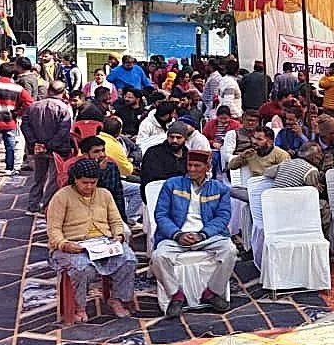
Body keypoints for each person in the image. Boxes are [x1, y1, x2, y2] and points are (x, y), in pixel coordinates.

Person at [46, 158, 139, 322]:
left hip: (102, 242)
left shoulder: (104, 194)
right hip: (72, 245)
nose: (89, 187)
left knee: (129, 259)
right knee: (83, 268)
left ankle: (117, 299)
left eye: (93, 182)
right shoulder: (61, 196)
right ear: (75, 179)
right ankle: (79, 306)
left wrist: (118, 236)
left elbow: (116, 221)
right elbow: (53, 229)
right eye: (84, 183)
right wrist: (64, 244)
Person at [151, 150, 237, 316]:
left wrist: (202, 235)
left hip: (207, 236)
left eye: (197, 166)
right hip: (176, 236)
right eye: (189, 165)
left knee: (230, 251)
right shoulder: (172, 184)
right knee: (158, 256)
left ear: (208, 167)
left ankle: (212, 292)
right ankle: (176, 295)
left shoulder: (220, 189)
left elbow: (223, 217)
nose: (191, 169)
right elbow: (161, 215)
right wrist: (177, 235)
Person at [23, 81, 75, 215]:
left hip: (38, 148)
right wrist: (49, 145)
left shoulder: (34, 106)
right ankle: (46, 206)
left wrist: (35, 142)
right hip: (56, 149)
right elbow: (64, 130)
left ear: (48, 90)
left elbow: (25, 126)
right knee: (53, 179)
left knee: (38, 177)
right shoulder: (63, 108)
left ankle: (33, 205)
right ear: (63, 92)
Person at [0, 62, 33, 176]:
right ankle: (9, 168)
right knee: (10, 146)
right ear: (13, 74)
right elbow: (29, 102)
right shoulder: (17, 88)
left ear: (0, 72)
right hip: (9, 120)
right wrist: (18, 112)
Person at [78, 135, 126, 222]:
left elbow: (118, 194)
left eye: (103, 150)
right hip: (85, 215)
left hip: (110, 214)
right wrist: (99, 172)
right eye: (96, 152)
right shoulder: (78, 169)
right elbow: (89, 195)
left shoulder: (111, 167)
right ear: (86, 155)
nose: (102, 155)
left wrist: (122, 219)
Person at [140, 123, 189, 200]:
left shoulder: (188, 155)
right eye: (171, 137)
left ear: (185, 139)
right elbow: (150, 179)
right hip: (157, 196)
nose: (174, 140)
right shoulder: (153, 153)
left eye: (178, 137)